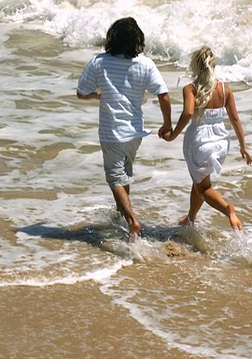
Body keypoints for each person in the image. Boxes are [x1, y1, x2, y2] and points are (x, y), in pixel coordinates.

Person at [76, 17, 172, 243]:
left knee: (115, 179)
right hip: (135, 132)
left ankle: (131, 222)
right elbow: (163, 95)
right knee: (124, 174)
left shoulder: (99, 62)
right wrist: (167, 123)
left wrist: (96, 95)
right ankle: (121, 216)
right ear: (137, 40)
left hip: (111, 131)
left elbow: (81, 92)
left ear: (112, 38)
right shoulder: (146, 64)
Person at [162, 46, 252, 230]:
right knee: (200, 182)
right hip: (220, 142)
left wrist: (172, 135)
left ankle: (228, 210)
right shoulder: (224, 89)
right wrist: (243, 146)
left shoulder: (191, 89)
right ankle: (190, 218)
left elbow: (188, 113)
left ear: (196, 65)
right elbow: (235, 119)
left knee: (204, 188)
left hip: (200, 142)